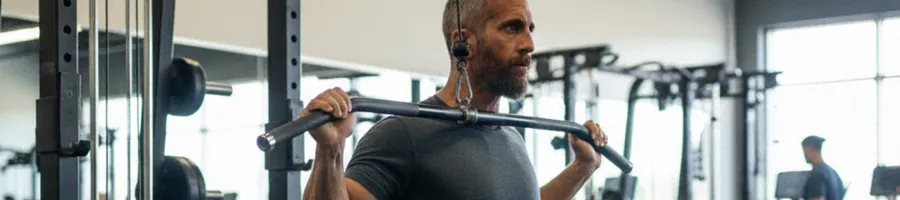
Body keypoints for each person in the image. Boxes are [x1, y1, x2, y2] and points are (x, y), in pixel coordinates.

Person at [299, 0, 611, 199]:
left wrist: (582, 167)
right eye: (512, 28)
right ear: (464, 42)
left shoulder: (510, 136)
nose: (529, 43)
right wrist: (331, 149)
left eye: (529, 29)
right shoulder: (404, 133)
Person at [801, 136, 845, 200]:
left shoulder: (817, 174)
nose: (804, 155)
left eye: (804, 151)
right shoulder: (834, 174)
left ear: (810, 149)